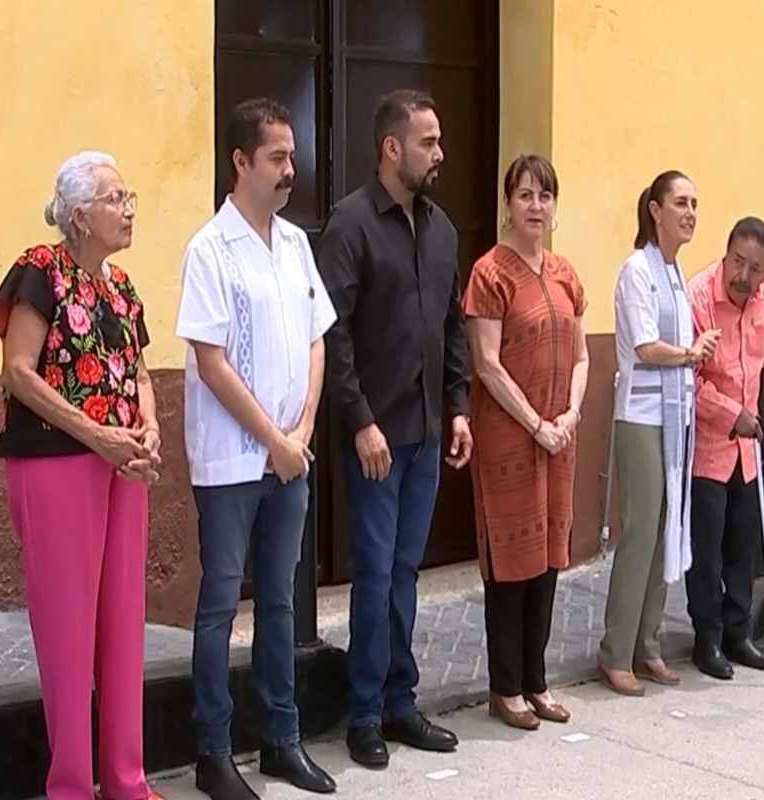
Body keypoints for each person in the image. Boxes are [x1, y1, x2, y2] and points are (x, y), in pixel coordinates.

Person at [177, 98, 337, 799]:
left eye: (291, 157)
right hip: (231, 463)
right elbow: (211, 361)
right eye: (277, 157)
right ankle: (213, 753)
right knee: (219, 605)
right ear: (240, 162)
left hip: (290, 457)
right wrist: (273, 439)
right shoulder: (209, 249)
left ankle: (281, 739)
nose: (289, 169)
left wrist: (300, 431)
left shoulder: (296, 243)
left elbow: (317, 339)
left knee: (279, 604)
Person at [0, 151, 162, 800]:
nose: (129, 209)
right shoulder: (41, 270)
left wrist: (148, 429)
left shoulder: (122, 288)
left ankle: (126, 781)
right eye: (117, 198)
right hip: (55, 463)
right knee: (68, 630)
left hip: (122, 465)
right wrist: (97, 435)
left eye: (129, 196)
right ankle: (70, 787)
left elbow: (139, 372)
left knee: (123, 624)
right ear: (80, 215)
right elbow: (18, 371)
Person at [317, 89, 472, 769]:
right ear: (391, 147)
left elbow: (452, 325)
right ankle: (364, 714)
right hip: (375, 438)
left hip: (427, 433)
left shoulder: (442, 230)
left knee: (407, 571)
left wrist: (458, 406)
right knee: (376, 575)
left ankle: (401, 702)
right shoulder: (350, 225)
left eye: (438, 140)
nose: (440, 153)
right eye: (428, 142)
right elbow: (333, 334)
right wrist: (360, 421)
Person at [464, 154, 588, 729]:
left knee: (548, 558)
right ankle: (505, 687)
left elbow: (583, 356)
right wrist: (536, 423)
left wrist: (570, 415)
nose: (536, 206)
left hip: (560, 437)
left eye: (545, 195)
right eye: (525, 195)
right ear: (507, 204)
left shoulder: (565, 273)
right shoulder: (489, 273)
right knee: (511, 560)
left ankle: (537, 682)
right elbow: (487, 363)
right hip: (509, 437)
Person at [598, 170, 721, 696]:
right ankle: (616, 650)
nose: (690, 213)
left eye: (694, 203)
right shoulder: (637, 270)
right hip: (642, 416)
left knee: (666, 527)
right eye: (680, 203)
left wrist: (693, 355)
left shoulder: (674, 272)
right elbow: (645, 347)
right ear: (655, 210)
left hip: (674, 417)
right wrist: (692, 353)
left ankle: (646, 643)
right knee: (642, 529)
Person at [685, 217, 764, 679]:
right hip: (709, 446)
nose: (743, 276)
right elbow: (689, 380)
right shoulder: (697, 297)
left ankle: (738, 634)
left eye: (755, 268)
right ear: (725, 254)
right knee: (706, 553)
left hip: (747, 452)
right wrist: (734, 415)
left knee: (743, 546)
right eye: (737, 262)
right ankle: (707, 640)